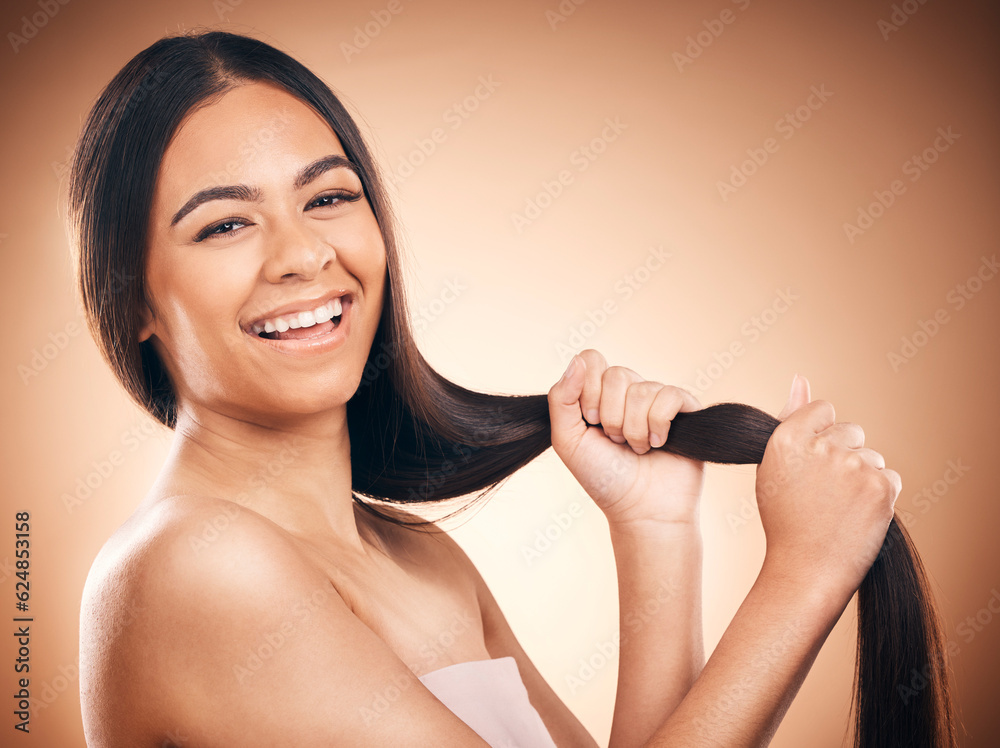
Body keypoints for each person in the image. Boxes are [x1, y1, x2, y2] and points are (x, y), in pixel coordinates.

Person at [72, 30, 900, 747]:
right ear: (133, 294)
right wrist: (803, 578)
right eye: (224, 224)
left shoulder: (424, 559)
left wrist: (654, 532)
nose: (303, 255)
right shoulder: (193, 568)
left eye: (329, 197)